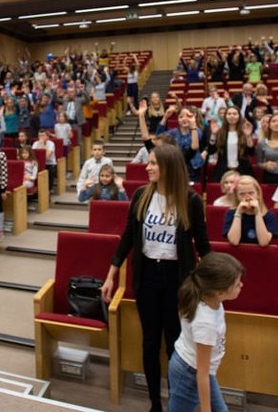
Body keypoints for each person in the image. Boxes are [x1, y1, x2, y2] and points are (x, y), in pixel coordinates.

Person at [99, 144, 210, 412]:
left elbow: (204, 247)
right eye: (148, 162)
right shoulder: (140, 196)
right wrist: (111, 274)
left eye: (153, 163)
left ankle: (175, 401)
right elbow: (127, 238)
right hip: (146, 275)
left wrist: (213, 287)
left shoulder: (191, 200)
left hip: (177, 279)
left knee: (175, 344)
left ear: (169, 166)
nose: (147, 167)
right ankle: (154, 403)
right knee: (149, 341)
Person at [167, 252, 244, 412]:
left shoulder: (210, 299)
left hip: (197, 369)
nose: (241, 285)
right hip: (189, 373)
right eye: (237, 284)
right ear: (219, 292)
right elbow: (201, 375)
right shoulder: (205, 323)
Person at [224, 175, 278, 246]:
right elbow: (234, 241)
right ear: (237, 196)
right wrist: (238, 213)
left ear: (258, 193)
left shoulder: (269, 216)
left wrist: (258, 213)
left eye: (251, 193)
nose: (247, 197)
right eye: (242, 194)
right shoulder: (231, 214)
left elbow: (263, 242)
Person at [207, 106, 255, 183]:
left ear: (239, 116)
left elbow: (251, 152)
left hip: (243, 171)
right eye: (229, 114)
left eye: (235, 114)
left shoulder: (244, 132)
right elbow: (211, 151)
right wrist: (213, 134)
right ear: (225, 116)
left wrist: (248, 136)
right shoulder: (220, 132)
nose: (232, 116)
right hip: (223, 171)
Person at [32, 128, 57, 193]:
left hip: (49, 164)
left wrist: (42, 145)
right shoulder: (35, 143)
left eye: (43, 135)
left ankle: (49, 189)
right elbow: (32, 156)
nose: (41, 137)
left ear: (47, 137)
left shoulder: (51, 144)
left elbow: (45, 157)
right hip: (38, 163)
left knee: (51, 170)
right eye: (39, 136)